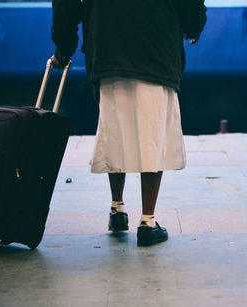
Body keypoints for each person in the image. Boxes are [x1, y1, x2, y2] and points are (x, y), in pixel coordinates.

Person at [51, 0, 207, 246]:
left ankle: (117, 210)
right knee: (153, 133)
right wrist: (194, 26)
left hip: (107, 44)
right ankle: (147, 221)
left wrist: (64, 48)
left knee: (116, 128)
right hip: (156, 46)